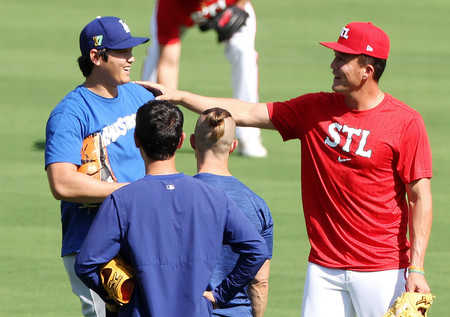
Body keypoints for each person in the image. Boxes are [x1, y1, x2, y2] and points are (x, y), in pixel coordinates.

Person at [136, 21, 433, 316]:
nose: (333, 64)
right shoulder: (313, 110)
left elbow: (419, 197)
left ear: (367, 71)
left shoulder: (406, 123)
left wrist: (416, 268)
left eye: (342, 59)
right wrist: (179, 96)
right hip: (323, 268)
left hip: (381, 269)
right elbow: (247, 111)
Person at [74, 100, 269, 316]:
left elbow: (86, 264)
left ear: (136, 140)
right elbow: (256, 249)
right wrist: (220, 295)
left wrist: (114, 297)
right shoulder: (215, 198)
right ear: (181, 141)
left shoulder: (121, 200)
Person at [44, 16, 155, 317]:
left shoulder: (140, 95)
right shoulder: (70, 113)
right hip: (95, 247)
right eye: (121, 51)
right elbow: (62, 184)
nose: (132, 57)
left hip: (142, 236)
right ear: (96, 56)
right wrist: (132, 192)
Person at [140, 0, 268, 158]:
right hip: (180, 14)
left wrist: (240, 5)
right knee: (155, 58)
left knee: (244, 53)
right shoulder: (169, 5)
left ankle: (248, 134)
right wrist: (168, 118)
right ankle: (147, 128)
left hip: (229, 5)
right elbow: (169, 64)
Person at [191, 108, 274, 316]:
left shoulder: (175, 197)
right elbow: (260, 281)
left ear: (193, 142)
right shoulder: (256, 204)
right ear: (233, 146)